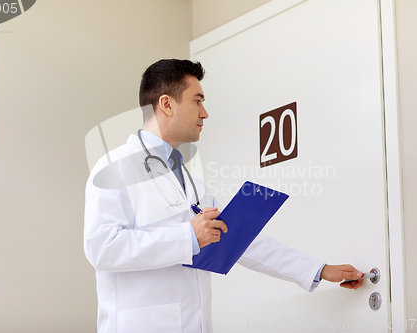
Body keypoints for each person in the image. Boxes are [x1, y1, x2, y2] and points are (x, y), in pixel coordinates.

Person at [84, 59, 364, 333]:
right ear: (167, 104)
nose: (204, 113)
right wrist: (187, 236)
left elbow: (241, 240)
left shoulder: (191, 183)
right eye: (197, 101)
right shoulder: (115, 168)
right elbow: (102, 247)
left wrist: (319, 269)